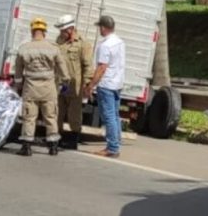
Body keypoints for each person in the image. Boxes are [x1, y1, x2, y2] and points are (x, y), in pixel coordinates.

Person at [14, 17, 70, 157]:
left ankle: (26, 147)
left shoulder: (24, 49)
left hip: (31, 88)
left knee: (29, 117)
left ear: (32, 30)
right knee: (50, 116)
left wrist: (18, 85)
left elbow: (18, 71)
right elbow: (62, 67)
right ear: (44, 31)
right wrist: (65, 81)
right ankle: (53, 147)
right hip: (48, 89)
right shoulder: (53, 48)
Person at [85, 15, 125, 158]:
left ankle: (112, 147)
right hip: (117, 84)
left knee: (108, 116)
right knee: (114, 115)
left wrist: (91, 85)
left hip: (107, 84)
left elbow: (102, 68)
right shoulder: (120, 42)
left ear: (103, 27)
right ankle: (116, 142)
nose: (99, 30)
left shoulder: (105, 45)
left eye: (99, 27)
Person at [55, 14, 94, 150]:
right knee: (57, 112)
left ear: (71, 29)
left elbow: (88, 65)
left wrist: (88, 84)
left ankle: (73, 140)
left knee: (74, 114)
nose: (61, 33)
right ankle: (56, 138)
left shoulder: (83, 44)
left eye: (63, 30)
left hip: (75, 86)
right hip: (61, 85)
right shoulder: (59, 41)